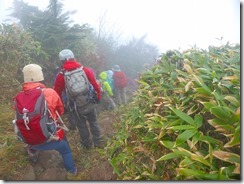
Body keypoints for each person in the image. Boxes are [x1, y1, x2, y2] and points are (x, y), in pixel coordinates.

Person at [13, 64, 77, 175]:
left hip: (29, 141)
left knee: (31, 132)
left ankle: (33, 154)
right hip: (48, 138)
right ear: (40, 75)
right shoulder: (49, 92)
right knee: (65, 148)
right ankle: (72, 171)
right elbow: (60, 111)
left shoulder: (18, 97)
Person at [54, 49, 102, 149]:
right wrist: (98, 96)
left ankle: (86, 144)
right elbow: (95, 84)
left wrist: (61, 107)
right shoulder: (84, 70)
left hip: (74, 105)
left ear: (61, 61)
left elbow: (57, 94)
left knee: (81, 125)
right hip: (89, 100)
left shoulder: (61, 76)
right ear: (73, 58)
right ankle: (98, 142)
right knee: (93, 121)